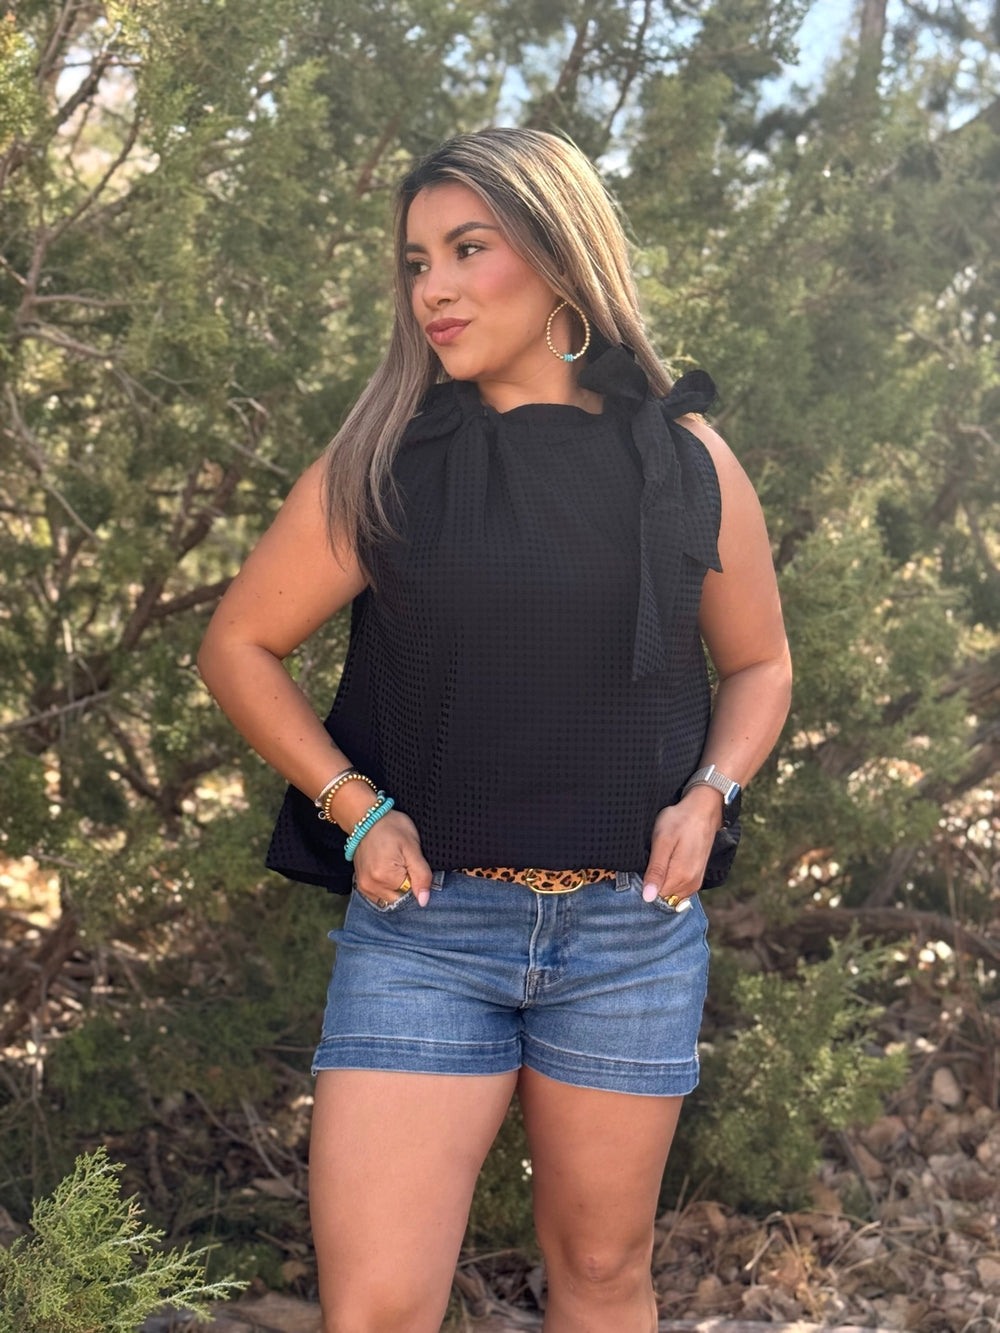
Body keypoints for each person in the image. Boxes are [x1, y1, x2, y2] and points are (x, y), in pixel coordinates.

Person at [198, 126, 792, 1333]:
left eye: (469, 249)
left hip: (629, 935)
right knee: (376, 1309)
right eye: (417, 262)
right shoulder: (386, 461)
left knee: (603, 1276)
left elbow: (761, 663)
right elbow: (238, 646)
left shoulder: (685, 462)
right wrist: (354, 806)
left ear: (561, 257)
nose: (435, 289)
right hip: (427, 931)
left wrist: (711, 794)